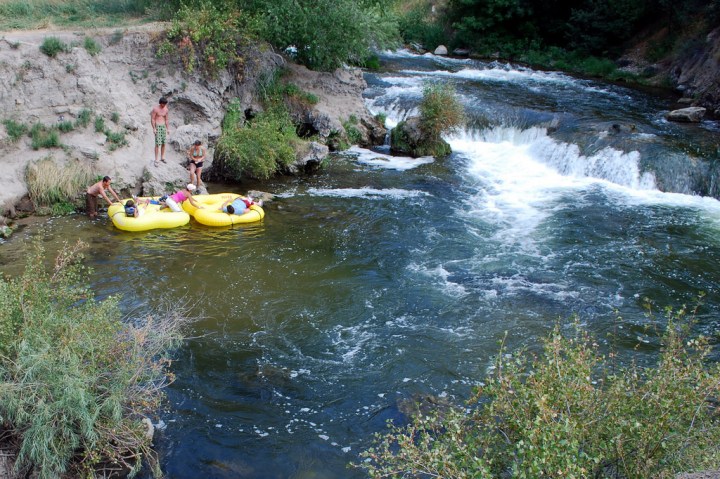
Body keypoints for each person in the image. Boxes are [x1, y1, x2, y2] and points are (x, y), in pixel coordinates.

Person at [150, 97, 170, 167]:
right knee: (157, 143)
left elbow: (167, 119)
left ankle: (162, 157)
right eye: (162, 104)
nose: (163, 105)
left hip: (163, 126)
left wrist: (168, 129)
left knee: (163, 143)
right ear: (160, 103)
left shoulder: (166, 109)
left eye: (164, 104)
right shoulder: (155, 109)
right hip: (158, 126)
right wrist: (154, 128)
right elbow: (152, 119)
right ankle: (156, 159)